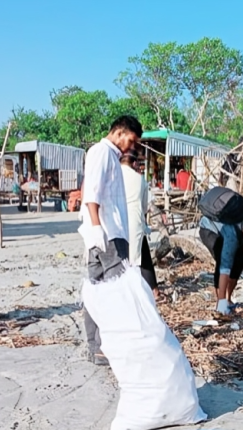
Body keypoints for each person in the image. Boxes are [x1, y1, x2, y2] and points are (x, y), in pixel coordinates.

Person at [78, 115, 143, 366]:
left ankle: (98, 348)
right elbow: (91, 194)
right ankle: (104, 346)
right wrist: (96, 227)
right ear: (119, 132)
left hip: (104, 234)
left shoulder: (109, 156)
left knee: (98, 291)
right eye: (131, 140)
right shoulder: (102, 152)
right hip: (109, 235)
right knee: (116, 293)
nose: (132, 146)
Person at [198, 188, 243, 316]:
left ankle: (228, 299)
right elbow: (224, 269)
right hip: (209, 229)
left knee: (239, 262)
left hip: (231, 228)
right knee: (222, 260)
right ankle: (220, 303)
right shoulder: (232, 236)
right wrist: (221, 305)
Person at [119, 150, 159, 300]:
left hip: (118, 221)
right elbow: (145, 206)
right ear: (134, 163)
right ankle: (148, 290)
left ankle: (150, 289)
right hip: (135, 221)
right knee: (137, 258)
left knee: (127, 257)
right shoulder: (139, 179)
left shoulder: (114, 176)